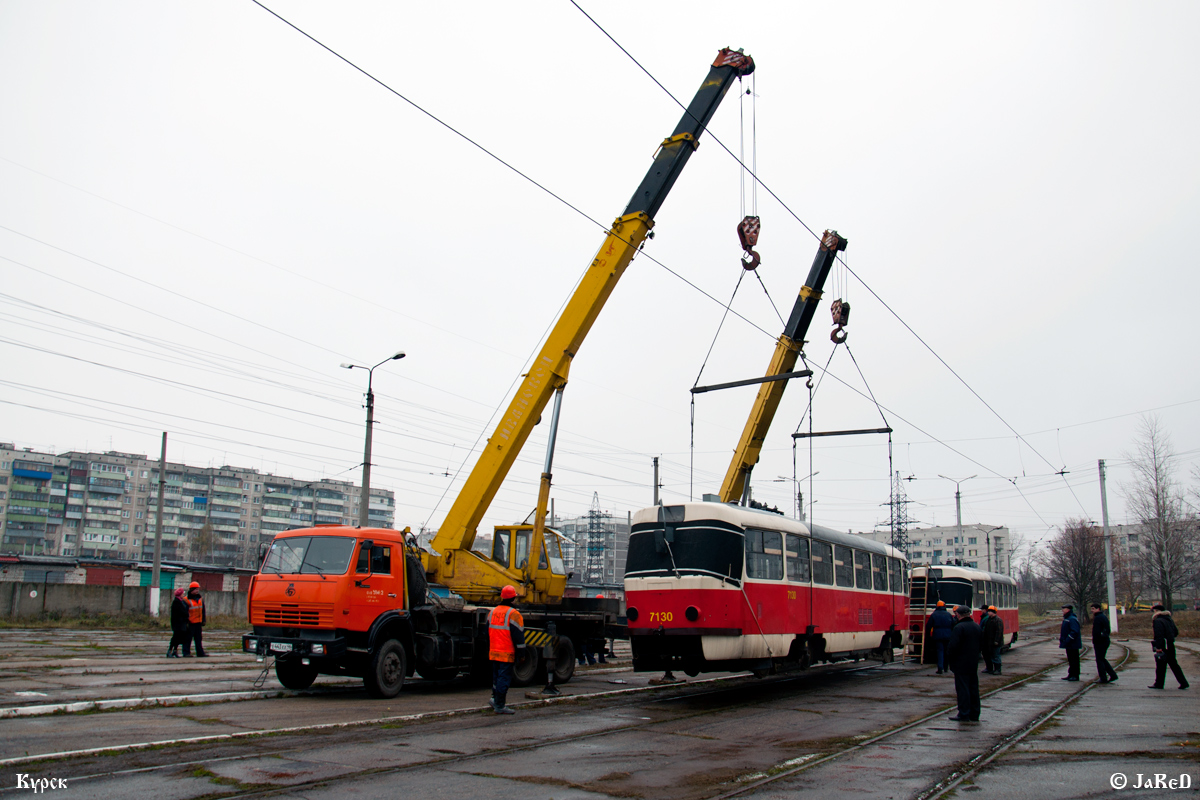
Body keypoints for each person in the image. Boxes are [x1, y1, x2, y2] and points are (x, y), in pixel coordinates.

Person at [488, 585, 526, 714]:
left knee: (496, 677)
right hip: (506, 652)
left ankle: (494, 699)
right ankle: (500, 705)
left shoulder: (492, 612)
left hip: (494, 651)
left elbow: (486, 632)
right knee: (503, 678)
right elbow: (519, 637)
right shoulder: (514, 614)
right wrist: (521, 654)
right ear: (513, 598)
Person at [946, 605, 982, 722]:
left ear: (958, 615)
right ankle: (975, 713)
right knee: (973, 688)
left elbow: (953, 647)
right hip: (973, 663)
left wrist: (950, 659)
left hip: (960, 663)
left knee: (962, 689)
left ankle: (964, 713)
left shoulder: (959, 628)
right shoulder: (976, 627)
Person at [1148, 603, 1189, 690]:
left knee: (1160, 666)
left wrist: (1158, 647)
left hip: (1163, 646)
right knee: (1174, 665)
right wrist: (1169, 638)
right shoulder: (1169, 620)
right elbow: (1176, 632)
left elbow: (1159, 635)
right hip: (1170, 645)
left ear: (1156, 611)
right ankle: (1183, 682)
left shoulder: (1158, 621)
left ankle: (1159, 683)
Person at [1090, 602, 1118, 684]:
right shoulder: (1102, 617)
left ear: (1098, 609)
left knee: (1100, 660)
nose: (1092, 611)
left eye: (1093, 609)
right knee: (1102, 659)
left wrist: (1097, 639)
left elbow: (1098, 631)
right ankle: (1112, 675)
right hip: (1103, 641)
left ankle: (1103, 677)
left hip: (1100, 642)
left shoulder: (1098, 618)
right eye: (1091, 609)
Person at [926, 600, 955, 674]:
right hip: (948, 636)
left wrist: (927, 635)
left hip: (937, 636)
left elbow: (929, 626)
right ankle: (946, 668)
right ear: (944, 606)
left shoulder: (934, 614)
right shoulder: (948, 614)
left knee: (940, 651)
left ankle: (940, 668)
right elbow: (953, 625)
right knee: (946, 652)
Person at [183, 581, 208, 658]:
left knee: (198, 639)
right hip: (190, 622)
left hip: (198, 622)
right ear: (191, 590)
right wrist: (186, 622)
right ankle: (186, 653)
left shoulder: (200, 599)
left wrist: (203, 620)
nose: (197, 591)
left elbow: (203, 610)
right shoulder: (186, 600)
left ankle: (200, 652)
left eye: (198, 589)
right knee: (188, 639)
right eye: (196, 589)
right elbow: (185, 612)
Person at [1059, 605, 1081, 681]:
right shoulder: (1068, 618)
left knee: (1074, 660)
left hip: (1073, 644)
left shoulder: (1071, 619)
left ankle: (1075, 675)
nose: (1062, 611)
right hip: (1069, 644)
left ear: (1068, 610)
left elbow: (1074, 631)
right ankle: (1071, 674)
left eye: (1064, 609)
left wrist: (1068, 639)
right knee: (1071, 660)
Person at [981, 606, 1004, 675]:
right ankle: (989, 668)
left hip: (995, 642)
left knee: (996, 655)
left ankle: (998, 669)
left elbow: (999, 632)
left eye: (990, 611)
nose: (988, 613)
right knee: (989, 655)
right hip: (988, 641)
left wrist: (996, 641)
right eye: (988, 611)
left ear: (993, 612)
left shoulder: (998, 620)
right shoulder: (988, 620)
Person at [166, 587, 188, 658]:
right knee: (175, 637)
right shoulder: (176, 602)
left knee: (179, 638)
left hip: (181, 623)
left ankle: (175, 650)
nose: (183, 595)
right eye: (182, 594)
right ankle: (170, 650)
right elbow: (181, 612)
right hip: (178, 624)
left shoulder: (181, 602)